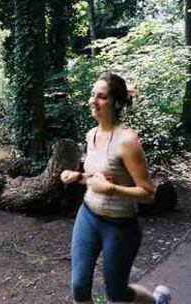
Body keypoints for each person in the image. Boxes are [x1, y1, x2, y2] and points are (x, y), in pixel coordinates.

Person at [60, 72, 171, 304]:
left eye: (101, 97)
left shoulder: (127, 141)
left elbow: (149, 194)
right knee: (79, 288)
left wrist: (111, 190)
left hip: (120, 226)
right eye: (92, 95)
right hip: (88, 217)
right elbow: (100, 176)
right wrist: (78, 176)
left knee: (117, 293)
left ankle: (157, 302)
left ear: (116, 103)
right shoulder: (91, 135)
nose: (93, 101)